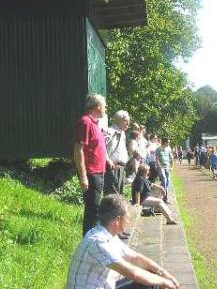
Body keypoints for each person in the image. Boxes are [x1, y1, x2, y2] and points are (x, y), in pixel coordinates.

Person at [67, 195, 180, 289]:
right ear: (117, 220)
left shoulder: (106, 233)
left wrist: (162, 272)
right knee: (152, 284)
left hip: (104, 284)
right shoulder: (97, 241)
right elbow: (133, 273)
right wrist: (164, 282)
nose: (129, 221)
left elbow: (134, 257)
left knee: (151, 276)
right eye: (127, 217)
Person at [74, 93, 109, 236]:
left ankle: (93, 241)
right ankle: (89, 243)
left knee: (95, 209)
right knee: (92, 210)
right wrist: (83, 177)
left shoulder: (95, 123)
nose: (106, 107)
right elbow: (78, 150)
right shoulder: (85, 122)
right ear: (97, 106)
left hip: (99, 172)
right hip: (91, 173)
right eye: (104, 105)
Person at [105, 110, 131, 197]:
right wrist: (108, 161)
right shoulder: (110, 131)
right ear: (120, 120)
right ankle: (109, 210)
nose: (128, 124)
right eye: (127, 122)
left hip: (121, 167)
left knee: (119, 194)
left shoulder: (123, 133)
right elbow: (101, 148)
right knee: (112, 194)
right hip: (112, 166)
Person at [156, 138, 173, 203]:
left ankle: (165, 197)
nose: (169, 143)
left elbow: (171, 158)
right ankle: (164, 197)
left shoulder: (169, 148)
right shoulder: (158, 149)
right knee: (164, 180)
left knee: (167, 182)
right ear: (164, 142)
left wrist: (172, 166)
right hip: (161, 167)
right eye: (168, 142)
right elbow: (157, 158)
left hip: (167, 167)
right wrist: (159, 166)